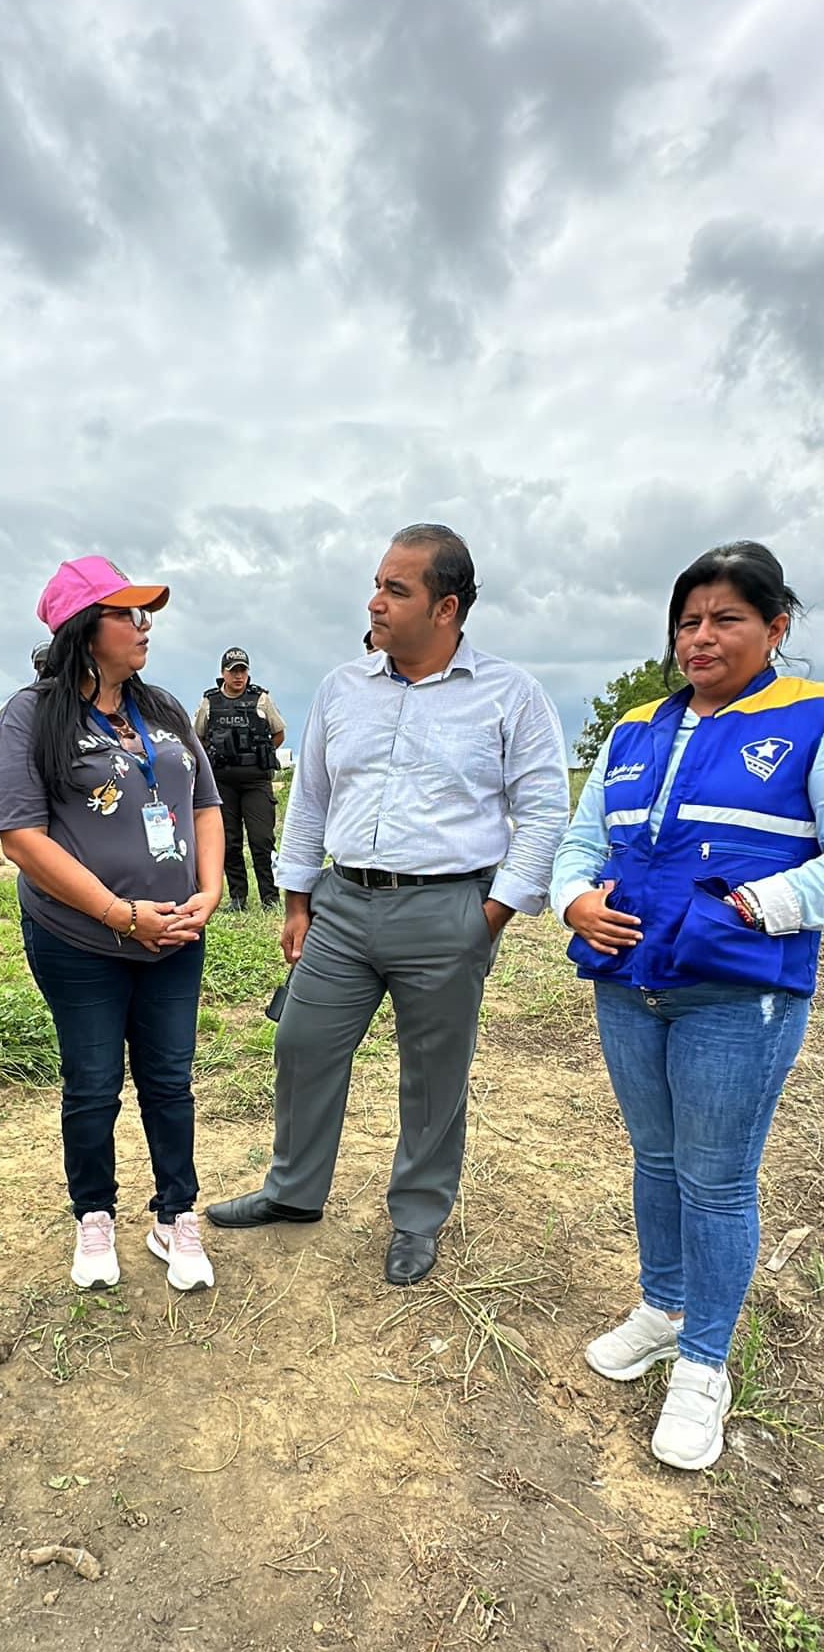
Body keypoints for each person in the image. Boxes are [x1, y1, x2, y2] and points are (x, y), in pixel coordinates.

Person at [207, 523, 569, 1284]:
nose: (375, 601)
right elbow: (310, 799)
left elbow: (542, 812)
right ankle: (293, 1190)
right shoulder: (343, 688)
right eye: (376, 584)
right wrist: (297, 902)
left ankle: (417, 1216)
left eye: (395, 590)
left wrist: (491, 914)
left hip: (448, 910)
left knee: (434, 1073)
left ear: (446, 608)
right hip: (341, 906)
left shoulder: (510, 694)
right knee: (302, 1043)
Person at [551, 541, 824, 1473]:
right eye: (688, 621)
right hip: (630, 988)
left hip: (736, 995)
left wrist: (755, 906)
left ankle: (705, 1360)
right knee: (656, 1158)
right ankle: (663, 1309)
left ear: (775, 628)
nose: (700, 637)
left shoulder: (809, 718)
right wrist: (574, 900)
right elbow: (582, 840)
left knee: (716, 1179)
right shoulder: (636, 729)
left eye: (725, 619)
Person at [0, 555, 225, 1293]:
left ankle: (175, 1214)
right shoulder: (32, 715)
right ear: (84, 630)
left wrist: (210, 890)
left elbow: (205, 805)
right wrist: (121, 916)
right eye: (127, 614)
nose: (143, 626)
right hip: (81, 939)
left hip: (175, 934)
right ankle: (94, 1215)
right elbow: (22, 838)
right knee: (92, 1083)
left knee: (170, 1080)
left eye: (144, 613)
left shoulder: (164, 710)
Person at [194, 648, 284, 909]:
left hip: (256, 781)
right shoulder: (209, 702)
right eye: (233, 671)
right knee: (229, 841)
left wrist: (261, 754)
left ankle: (270, 898)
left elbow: (278, 733)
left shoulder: (261, 699)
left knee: (262, 840)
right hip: (222, 783)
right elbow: (198, 737)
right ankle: (237, 898)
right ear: (223, 673)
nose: (238, 676)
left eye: (242, 670)